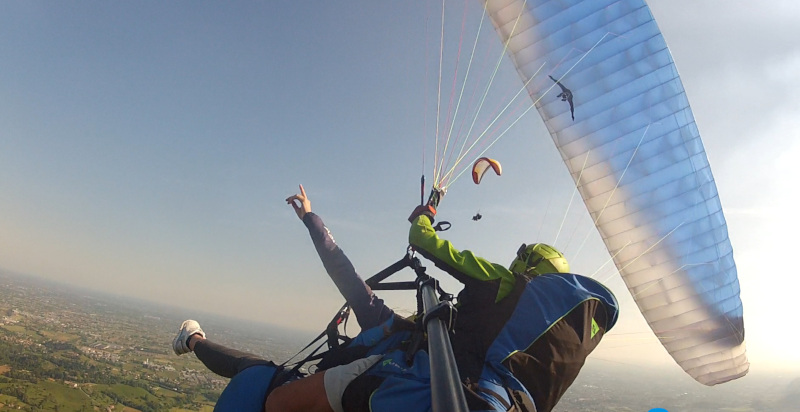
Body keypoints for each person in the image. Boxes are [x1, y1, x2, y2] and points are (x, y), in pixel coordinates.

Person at [172, 185, 619, 412]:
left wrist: (312, 220)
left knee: (259, 382)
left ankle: (193, 340)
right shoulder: (519, 351)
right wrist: (311, 219)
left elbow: (344, 271)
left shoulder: (392, 326)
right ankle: (193, 340)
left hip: (390, 388)